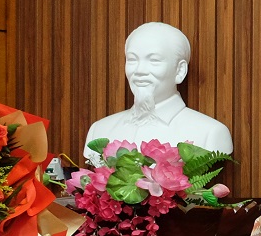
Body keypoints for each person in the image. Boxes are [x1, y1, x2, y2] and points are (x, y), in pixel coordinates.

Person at [84, 22, 234, 159]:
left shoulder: (210, 133)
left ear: (180, 70)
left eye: (154, 60)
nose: (139, 70)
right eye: (132, 59)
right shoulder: (100, 130)